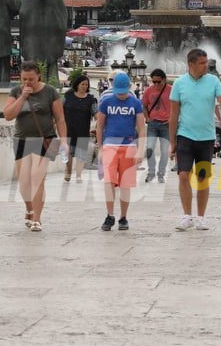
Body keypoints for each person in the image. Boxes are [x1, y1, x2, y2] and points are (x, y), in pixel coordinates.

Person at [169, 48, 221, 231]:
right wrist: (172, 141)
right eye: (202, 63)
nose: (206, 66)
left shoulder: (213, 81)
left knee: (202, 178)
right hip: (185, 135)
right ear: (191, 64)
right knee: (183, 175)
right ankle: (187, 215)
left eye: (206, 62)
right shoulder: (179, 83)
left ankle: (200, 217)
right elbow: (173, 114)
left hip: (206, 137)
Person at [4, 61, 68, 232]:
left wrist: (64, 141)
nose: (27, 83)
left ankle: (37, 219)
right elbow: (8, 115)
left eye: (31, 79)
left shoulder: (50, 92)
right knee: (24, 182)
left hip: (44, 139)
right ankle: (29, 209)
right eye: (24, 79)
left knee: (37, 178)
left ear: (38, 75)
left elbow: (60, 119)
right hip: (21, 139)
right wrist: (23, 97)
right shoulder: (16, 92)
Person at [95, 72, 146, 231]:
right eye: (119, 91)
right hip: (110, 144)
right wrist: (100, 147)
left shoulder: (135, 103)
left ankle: (123, 217)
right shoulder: (106, 101)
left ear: (129, 87)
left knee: (126, 184)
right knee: (109, 181)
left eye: (124, 91)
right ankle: (110, 215)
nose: (122, 95)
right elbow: (99, 126)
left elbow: (142, 127)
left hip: (129, 145)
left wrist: (140, 150)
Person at [63, 74, 97, 183]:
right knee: (68, 152)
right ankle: (68, 171)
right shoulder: (68, 96)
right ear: (77, 84)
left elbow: (96, 113)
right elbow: (59, 108)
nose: (84, 86)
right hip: (68, 128)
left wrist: (100, 122)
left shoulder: (91, 99)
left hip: (83, 129)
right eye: (82, 84)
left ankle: (78, 175)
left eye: (86, 84)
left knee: (81, 153)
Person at [141, 68, 172, 183]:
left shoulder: (171, 90)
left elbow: (178, 105)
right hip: (153, 124)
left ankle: (161, 174)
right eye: (154, 82)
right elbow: (144, 105)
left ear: (164, 79)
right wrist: (147, 118)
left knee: (164, 151)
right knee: (149, 148)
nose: (156, 84)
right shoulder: (149, 90)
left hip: (166, 124)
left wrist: (171, 119)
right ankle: (151, 172)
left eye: (159, 82)